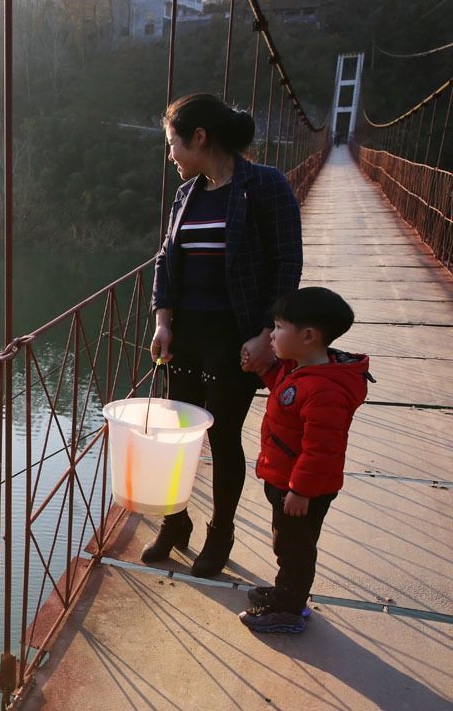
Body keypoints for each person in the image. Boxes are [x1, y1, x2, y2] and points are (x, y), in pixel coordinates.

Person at [147, 92, 303, 577]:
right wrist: (163, 322)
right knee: (177, 436)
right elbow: (165, 261)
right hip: (186, 337)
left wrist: (267, 335)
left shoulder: (265, 185)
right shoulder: (186, 195)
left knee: (223, 436)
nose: (170, 155)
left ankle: (220, 533)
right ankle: (175, 523)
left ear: (199, 138)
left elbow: (287, 265)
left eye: (172, 143)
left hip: (236, 340)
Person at [239, 287, 371, 633]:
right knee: (288, 543)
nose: (272, 335)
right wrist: (264, 371)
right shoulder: (301, 370)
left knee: (295, 548)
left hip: (300, 489)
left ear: (308, 336)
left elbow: (322, 451)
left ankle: (288, 609)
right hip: (287, 480)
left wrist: (301, 491)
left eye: (279, 328)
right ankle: (288, 594)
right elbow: (287, 395)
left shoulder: (325, 391)